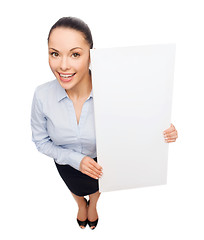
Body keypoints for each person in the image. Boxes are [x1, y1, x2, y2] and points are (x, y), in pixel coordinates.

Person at [31, 17, 178, 230]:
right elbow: (40, 140)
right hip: (65, 162)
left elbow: (137, 119)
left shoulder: (113, 88)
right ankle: (81, 204)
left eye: (75, 54)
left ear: (91, 55)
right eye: (55, 53)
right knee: (74, 186)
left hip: (103, 161)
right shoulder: (42, 95)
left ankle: (93, 205)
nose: (63, 65)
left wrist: (163, 130)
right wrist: (75, 159)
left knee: (97, 186)